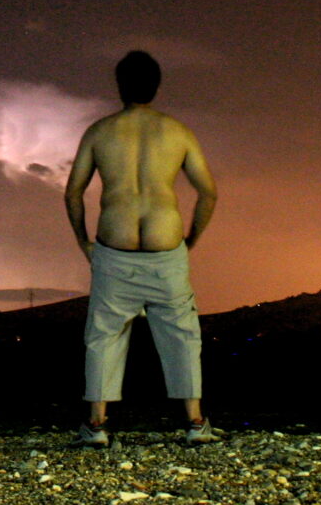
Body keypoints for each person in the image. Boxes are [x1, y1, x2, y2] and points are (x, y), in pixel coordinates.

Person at [64, 50, 219, 447]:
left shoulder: (100, 132)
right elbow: (207, 193)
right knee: (183, 334)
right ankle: (195, 422)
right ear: (157, 85)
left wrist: (84, 242)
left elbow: (74, 193)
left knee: (104, 335)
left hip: (114, 251)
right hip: (166, 250)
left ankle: (97, 426)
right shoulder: (177, 132)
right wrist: (190, 240)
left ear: (120, 85)